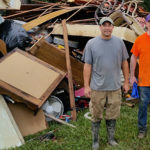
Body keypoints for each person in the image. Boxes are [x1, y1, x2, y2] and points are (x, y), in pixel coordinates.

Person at [82, 17, 129, 150]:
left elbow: (124, 63)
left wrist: (126, 82)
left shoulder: (119, 43)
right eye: (104, 25)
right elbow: (87, 65)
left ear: (113, 27)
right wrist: (86, 86)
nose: (107, 28)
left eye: (109, 25)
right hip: (97, 88)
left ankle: (111, 139)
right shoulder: (91, 43)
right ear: (100, 27)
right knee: (96, 115)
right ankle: (95, 141)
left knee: (112, 114)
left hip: (114, 87)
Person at [130, 14, 150, 139]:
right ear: (146, 24)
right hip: (144, 80)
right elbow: (133, 57)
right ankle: (142, 129)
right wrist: (132, 75)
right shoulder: (140, 39)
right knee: (143, 105)